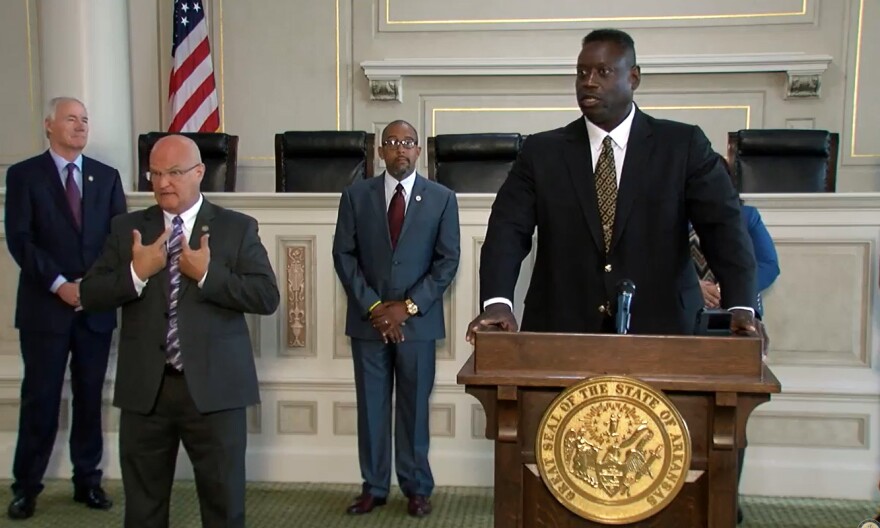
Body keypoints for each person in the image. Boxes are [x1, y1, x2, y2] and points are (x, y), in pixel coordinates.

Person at [467, 28, 761, 342]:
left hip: (664, 328)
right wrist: (497, 302)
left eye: (603, 72)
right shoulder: (541, 152)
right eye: (582, 72)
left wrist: (741, 304)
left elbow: (723, 227)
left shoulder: (682, 145)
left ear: (633, 78)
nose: (589, 82)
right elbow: (507, 230)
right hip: (561, 329)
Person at [80, 134, 279, 528]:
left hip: (215, 389)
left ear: (200, 173)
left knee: (223, 506)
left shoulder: (236, 228)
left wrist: (207, 273)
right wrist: (137, 272)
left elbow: (265, 296)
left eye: (174, 172)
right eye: (154, 173)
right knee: (143, 509)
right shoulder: (128, 229)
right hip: (146, 391)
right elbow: (90, 292)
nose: (163, 183)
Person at [3, 96, 126, 520]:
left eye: (85, 120)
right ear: (49, 125)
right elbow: (21, 240)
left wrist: (87, 289)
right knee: (41, 398)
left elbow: (118, 240)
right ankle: (26, 487)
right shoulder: (23, 176)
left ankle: (87, 481)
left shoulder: (107, 177)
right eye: (71, 119)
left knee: (90, 397)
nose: (80, 126)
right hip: (44, 310)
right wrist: (60, 285)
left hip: (93, 310)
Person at [332, 120, 460, 518]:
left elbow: (447, 261)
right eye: (391, 143)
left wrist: (405, 308)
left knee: (413, 410)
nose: (399, 149)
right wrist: (375, 308)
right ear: (380, 152)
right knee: (371, 408)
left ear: (418, 151)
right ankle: (374, 487)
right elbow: (344, 255)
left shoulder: (441, 198)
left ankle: (417, 487)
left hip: (416, 325)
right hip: (369, 323)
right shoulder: (356, 196)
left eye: (407, 143)